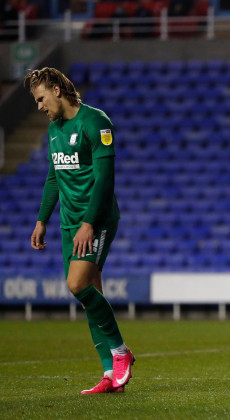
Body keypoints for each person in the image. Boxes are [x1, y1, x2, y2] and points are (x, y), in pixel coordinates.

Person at [24, 67, 134, 394]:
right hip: (69, 223)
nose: (39, 106)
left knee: (76, 284)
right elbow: (55, 176)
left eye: (41, 98)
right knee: (90, 296)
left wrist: (88, 223)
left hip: (95, 219)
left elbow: (104, 179)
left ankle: (120, 353)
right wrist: (42, 219)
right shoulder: (55, 130)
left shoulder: (95, 122)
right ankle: (110, 376)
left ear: (56, 90)